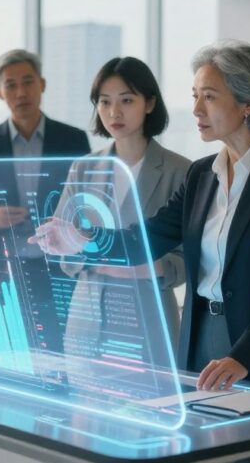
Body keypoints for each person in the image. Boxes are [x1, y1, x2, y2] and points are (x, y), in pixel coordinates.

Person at [33, 40, 250, 463]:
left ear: (248, 102)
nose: (196, 109)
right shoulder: (202, 174)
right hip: (202, 342)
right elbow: (145, 237)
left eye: (209, 96)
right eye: (194, 96)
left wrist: (243, 357)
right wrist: (83, 240)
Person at [0, 48, 91, 353]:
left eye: (28, 82)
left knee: (61, 365)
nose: (21, 92)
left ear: (42, 84)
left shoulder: (73, 140)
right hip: (1, 277)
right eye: (11, 85)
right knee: (0, 370)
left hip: (58, 273)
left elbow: (87, 207)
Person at [58, 56, 191, 356]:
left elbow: (190, 261)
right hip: (87, 323)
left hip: (149, 322)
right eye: (104, 102)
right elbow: (64, 249)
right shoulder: (83, 168)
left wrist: (143, 268)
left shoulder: (180, 171)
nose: (114, 112)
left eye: (126, 100)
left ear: (150, 103)